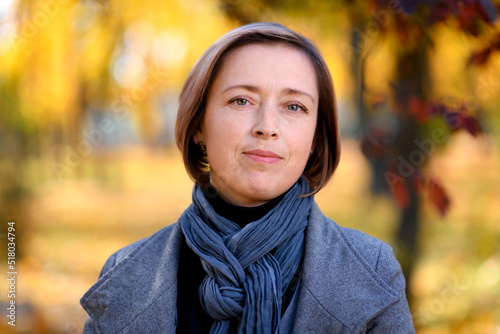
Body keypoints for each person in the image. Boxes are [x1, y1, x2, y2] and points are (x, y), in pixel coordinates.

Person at [80, 22, 415, 333]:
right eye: (241, 100)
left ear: (315, 137)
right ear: (199, 125)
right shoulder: (124, 273)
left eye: (294, 107)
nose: (267, 126)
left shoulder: (372, 269)